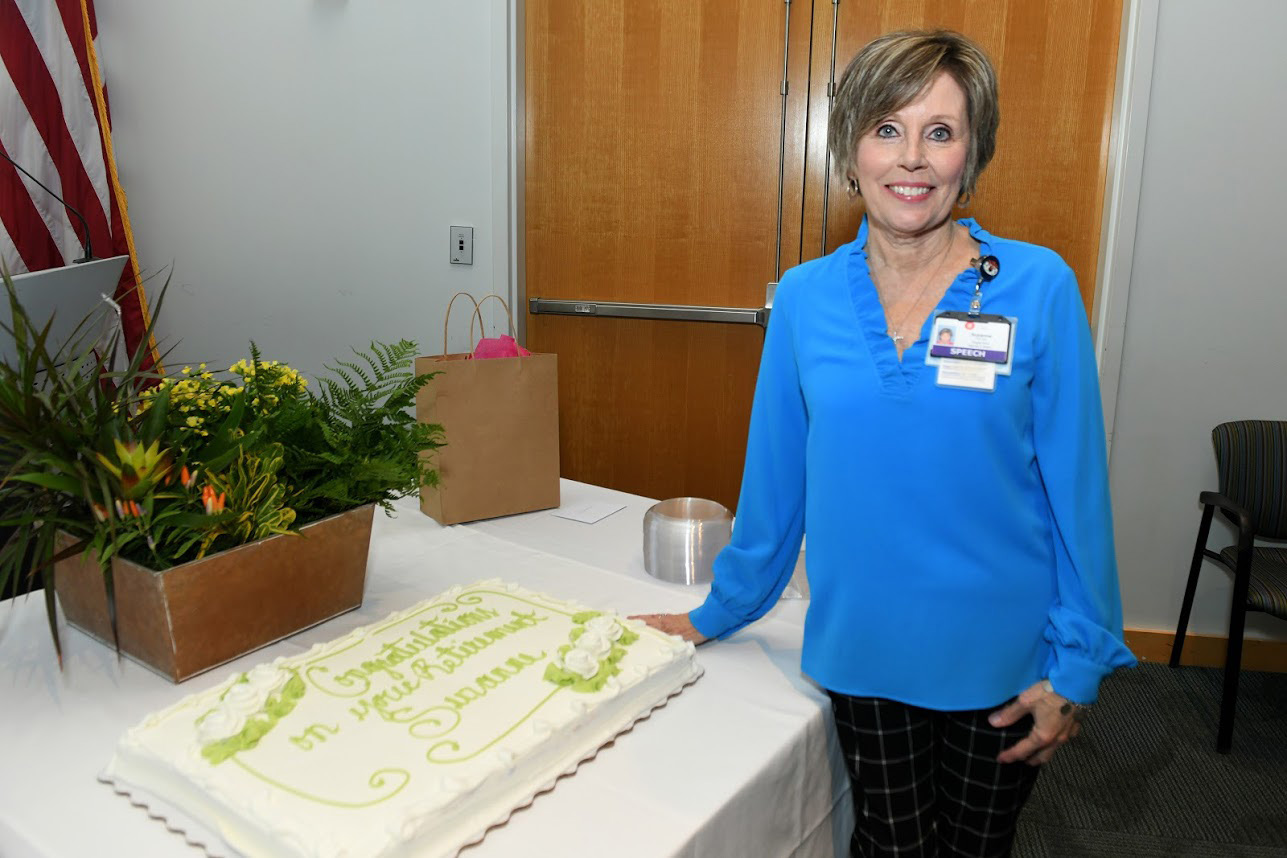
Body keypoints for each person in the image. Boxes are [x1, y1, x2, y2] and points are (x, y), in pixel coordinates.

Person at [635, 29, 1135, 858]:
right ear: (850, 148)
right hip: (863, 646)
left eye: (940, 132)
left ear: (971, 151)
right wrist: (716, 612)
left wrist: (1076, 664)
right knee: (887, 844)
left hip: (1001, 660)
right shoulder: (804, 297)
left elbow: (1076, 490)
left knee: (975, 847)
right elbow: (775, 482)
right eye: (886, 128)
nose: (912, 159)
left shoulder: (1036, 286)